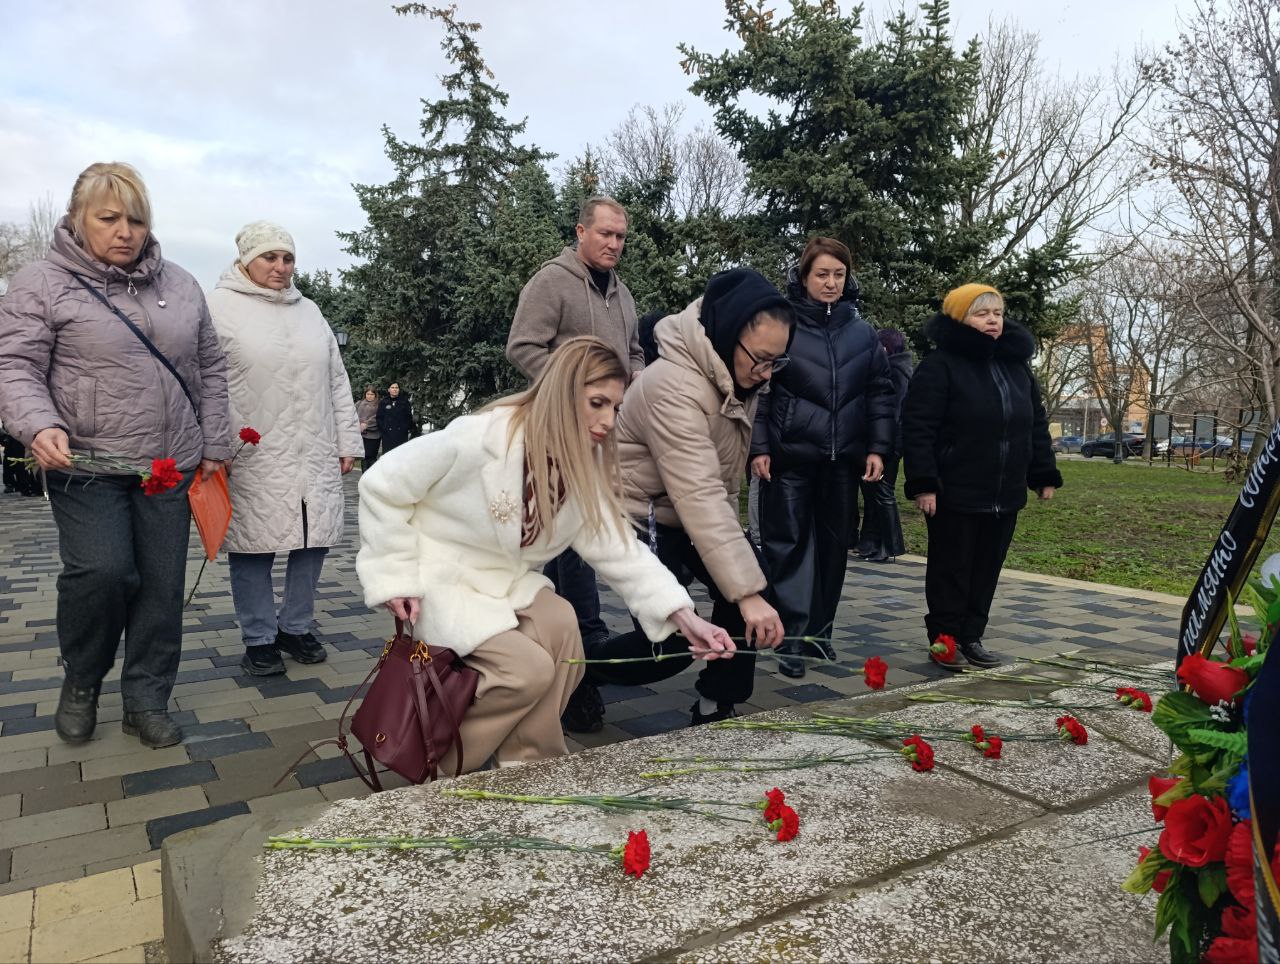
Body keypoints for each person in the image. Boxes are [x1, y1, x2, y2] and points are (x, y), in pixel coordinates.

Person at [356, 337, 733, 771]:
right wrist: (396, 578)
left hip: (503, 581)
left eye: (615, 407)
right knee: (527, 670)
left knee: (562, 626)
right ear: (562, 393)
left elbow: (616, 545)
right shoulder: (480, 438)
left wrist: (684, 617)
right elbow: (381, 485)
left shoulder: (579, 461)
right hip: (439, 577)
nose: (608, 420)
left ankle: (531, 764)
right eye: (597, 403)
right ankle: (439, 766)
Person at [0, 161, 231, 748]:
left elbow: (209, 367)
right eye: (108, 218)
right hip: (87, 464)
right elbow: (15, 364)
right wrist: (37, 424)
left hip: (168, 465)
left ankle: (146, 697)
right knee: (101, 572)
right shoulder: (41, 283)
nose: (124, 230)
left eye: (136, 219)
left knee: (160, 586)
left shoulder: (180, 284)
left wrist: (214, 441)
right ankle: (82, 678)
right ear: (78, 219)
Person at [577, 269, 791, 730]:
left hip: (685, 510)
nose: (767, 373)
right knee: (670, 644)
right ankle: (581, 674)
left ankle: (717, 700)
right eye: (761, 359)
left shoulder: (736, 375)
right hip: (641, 512)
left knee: (752, 577)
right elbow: (698, 491)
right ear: (728, 333)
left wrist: (747, 589)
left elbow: (713, 488)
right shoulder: (672, 384)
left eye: (778, 361)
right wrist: (747, 593)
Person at [207, 221, 363, 677]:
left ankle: (296, 625)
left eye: (287, 258)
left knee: (313, 539)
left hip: (312, 446)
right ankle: (259, 636)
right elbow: (204, 382)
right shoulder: (218, 308)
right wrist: (214, 445)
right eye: (269, 257)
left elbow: (337, 378)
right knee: (254, 546)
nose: (280, 267)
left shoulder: (309, 310)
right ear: (245, 260)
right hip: (251, 451)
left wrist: (346, 438)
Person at [505, 196, 644, 700]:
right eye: (605, 234)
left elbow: (633, 355)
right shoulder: (552, 281)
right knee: (564, 537)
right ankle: (580, 640)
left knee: (590, 529)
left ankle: (579, 644)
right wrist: (575, 394)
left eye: (621, 236)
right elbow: (522, 346)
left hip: (607, 434)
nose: (614, 244)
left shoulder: (623, 295)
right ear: (581, 232)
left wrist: (633, 393)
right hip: (558, 431)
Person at [751, 237, 895, 678]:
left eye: (838, 274)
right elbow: (759, 387)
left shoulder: (862, 332)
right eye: (822, 274)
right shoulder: (784, 325)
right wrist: (758, 447)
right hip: (790, 456)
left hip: (843, 460)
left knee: (833, 549)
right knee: (789, 546)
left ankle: (819, 634)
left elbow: (880, 394)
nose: (831, 282)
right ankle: (790, 639)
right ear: (804, 277)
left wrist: (878, 447)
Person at [901, 284, 1062, 670]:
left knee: (986, 568)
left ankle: (971, 636)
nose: (992, 320)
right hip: (954, 490)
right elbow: (918, 427)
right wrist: (924, 482)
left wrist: (1043, 473)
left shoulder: (1016, 366)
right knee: (950, 569)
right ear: (959, 318)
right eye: (981, 313)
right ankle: (944, 640)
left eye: (997, 313)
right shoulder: (940, 366)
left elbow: (1034, 424)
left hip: (1003, 490)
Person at [854, 328, 912, 562]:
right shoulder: (898, 370)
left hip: (887, 444)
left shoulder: (894, 372)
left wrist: (883, 445)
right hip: (886, 442)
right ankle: (870, 543)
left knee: (882, 493)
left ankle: (889, 545)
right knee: (873, 494)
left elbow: (892, 412)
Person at [377, 383, 414, 452]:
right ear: (389, 390)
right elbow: (379, 418)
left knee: (401, 456)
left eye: (396, 388)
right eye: (392, 387)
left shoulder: (405, 402)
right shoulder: (383, 402)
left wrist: (404, 429)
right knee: (388, 457)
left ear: (399, 390)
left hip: (401, 435)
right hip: (387, 435)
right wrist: (384, 429)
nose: (395, 389)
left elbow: (409, 418)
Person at [356, 387, 382, 470]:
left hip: (373, 436)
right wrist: (359, 424)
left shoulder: (379, 405)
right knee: (363, 457)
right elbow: (353, 414)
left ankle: (371, 476)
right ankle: (363, 476)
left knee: (371, 457)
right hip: (361, 435)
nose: (370, 396)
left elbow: (378, 417)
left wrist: (366, 424)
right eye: (368, 394)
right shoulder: (359, 403)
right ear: (365, 394)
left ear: (375, 395)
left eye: (372, 394)